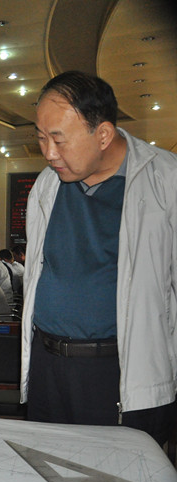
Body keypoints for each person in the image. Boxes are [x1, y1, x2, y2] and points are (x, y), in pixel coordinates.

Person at [23, 70, 177, 445]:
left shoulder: (164, 181)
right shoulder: (46, 184)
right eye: (41, 138)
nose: (49, 153)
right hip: (49, 366)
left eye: (59, 140)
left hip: (121, 370)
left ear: (103, 135)